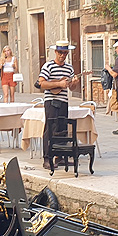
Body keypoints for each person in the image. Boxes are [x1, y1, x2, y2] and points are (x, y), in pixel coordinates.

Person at [37, 40, 77, 173]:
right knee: (50, 129)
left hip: (63, 101)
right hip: (51, 101)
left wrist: (73, 83)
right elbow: (42, 83)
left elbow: (72, 87)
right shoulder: (48, 66)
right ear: (55, 52)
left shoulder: (69, 68)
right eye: (60, 52)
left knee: (62, 128)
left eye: (65, 53)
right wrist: (58, 85)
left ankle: (60, 156)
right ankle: (47, 158)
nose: (62, 55)